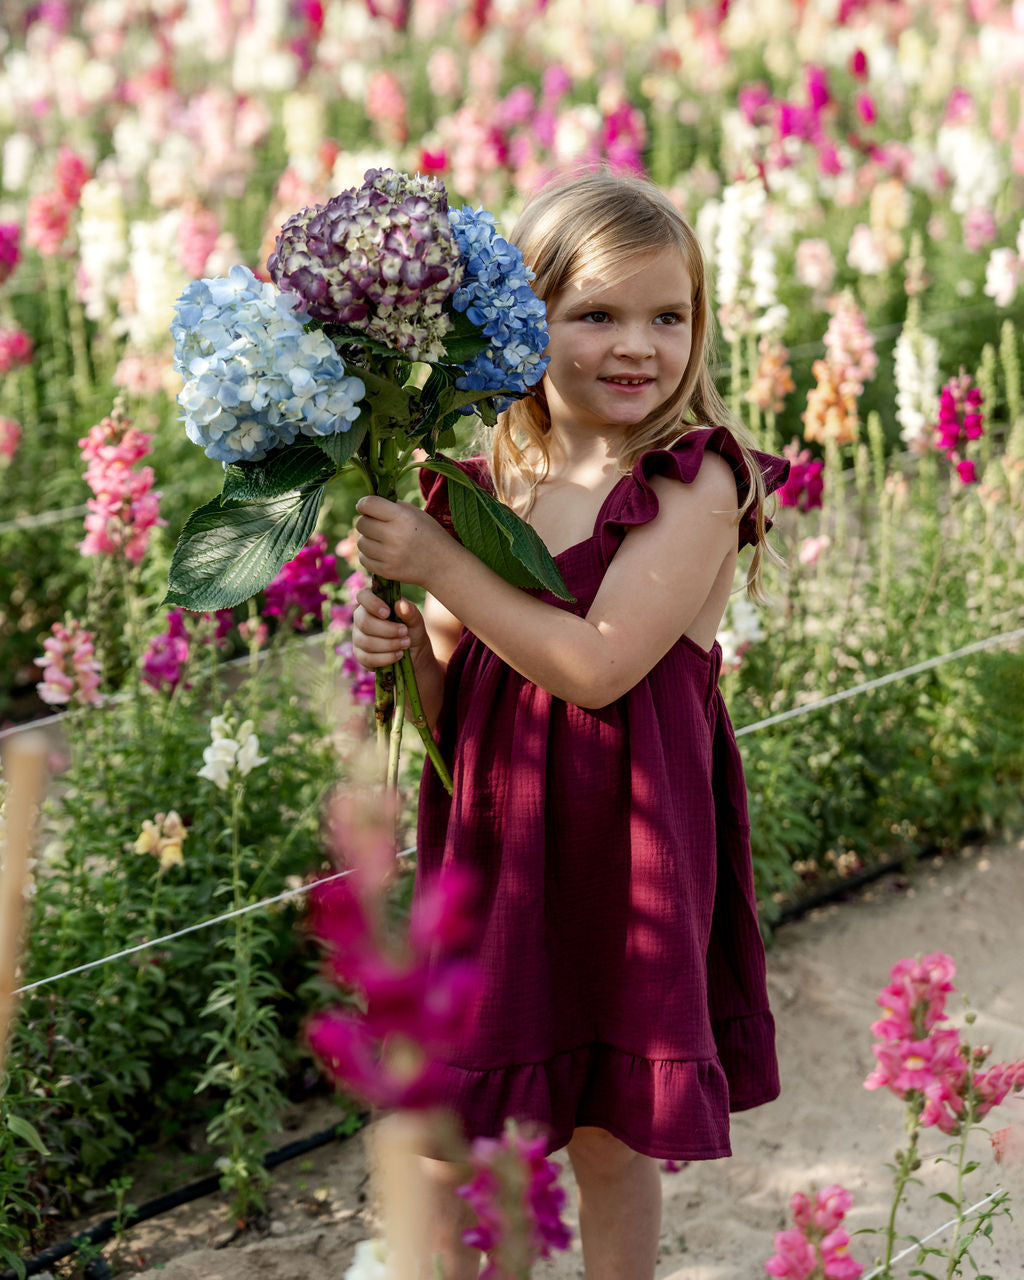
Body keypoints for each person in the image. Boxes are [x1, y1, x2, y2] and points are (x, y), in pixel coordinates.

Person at [352, 169, 787, 1280]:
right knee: (457, 1126)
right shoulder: (492, 479)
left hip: (622, 857)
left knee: (605, 1133)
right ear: (517, 320)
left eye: (667, 315)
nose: (636, 344)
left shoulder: (696, 483)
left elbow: (594, 668)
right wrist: (401, 649)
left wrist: (440, 560)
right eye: (593, 314)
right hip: (499, 847)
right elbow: (464, 683)